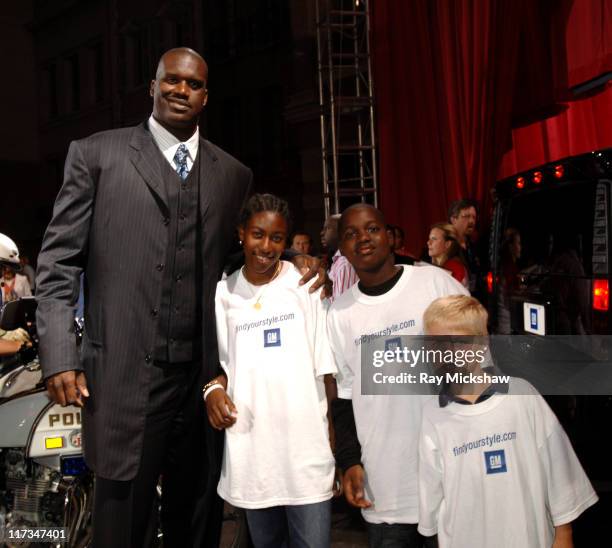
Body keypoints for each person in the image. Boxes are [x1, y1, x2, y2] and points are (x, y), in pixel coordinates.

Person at [35, 47, 322, 548]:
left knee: (199, 518)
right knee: (124, 524)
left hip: (203, 382)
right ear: (152, 85)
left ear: (206, 96)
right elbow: (58, 263)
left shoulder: (233, 175)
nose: (180, 90)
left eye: (192, 84)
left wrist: (294, 262)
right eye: (171, 80)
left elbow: (236, 255)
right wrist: (60, 355)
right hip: (125, 378)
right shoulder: (96, 155)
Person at [327, 204, 467, 548]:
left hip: (452, 478)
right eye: (351, 234)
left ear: (389, 237)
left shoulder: (435, 283)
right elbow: (343, 398)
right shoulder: (340, 313)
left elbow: (476, 363)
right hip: (387, 487)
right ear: (342, 251)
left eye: (372, 229)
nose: (363, 239)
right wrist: (350, 462)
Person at [204, 194, 336, 547]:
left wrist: (332, 447)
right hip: (254, 457)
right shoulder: (222, 295)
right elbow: (220, 367)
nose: (266, 246)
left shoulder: (305, 284)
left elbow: (325, 372)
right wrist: (213, 389)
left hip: (306, 455)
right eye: (257, 235)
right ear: (241, 234)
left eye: (277, 238)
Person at [418, 295, 598, 547]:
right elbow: (431, 496)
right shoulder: (433, 414)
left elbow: (558, 468)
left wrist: (563, 533)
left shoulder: (522, 396)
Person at [321, 214, 359, 300]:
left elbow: (342, 307)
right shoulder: (338, 261)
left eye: (327, 228)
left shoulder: (346, 264)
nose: (322, 233)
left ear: (342, 232)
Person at [448, 199, 481, 294]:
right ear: (453, 219)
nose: (471, 221)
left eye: (474, 217)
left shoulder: (474, 246)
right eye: (466, 216)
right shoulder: (445, 246)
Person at [426, 223, 469, 288]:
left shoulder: (455, 268)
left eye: (434, 239)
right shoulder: (446, 266)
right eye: (429, 238)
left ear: (447, 244)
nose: (428, 242)